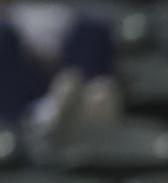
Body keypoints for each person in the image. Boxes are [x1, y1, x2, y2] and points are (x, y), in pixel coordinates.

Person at [0, 1, 117, 134]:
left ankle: (82, 108)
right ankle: (45, 115)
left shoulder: (88, 27)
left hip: (70, 82)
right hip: (24, 103)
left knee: (94, 30)